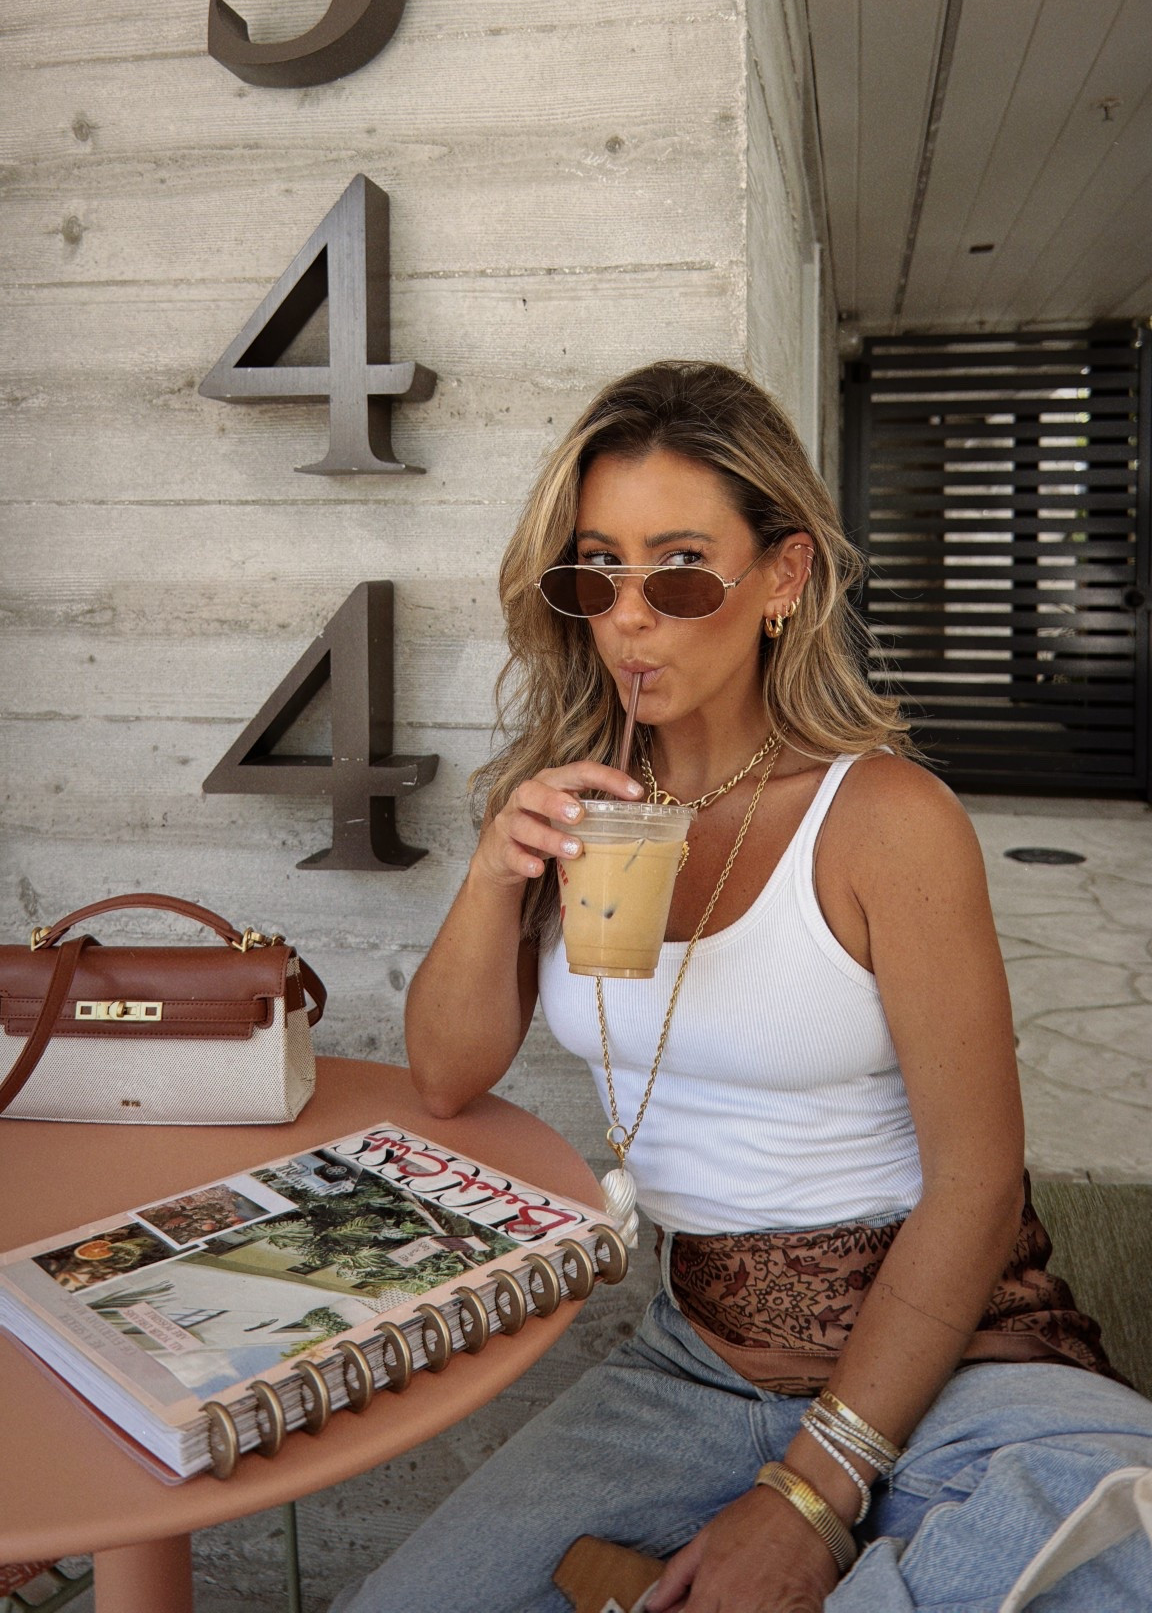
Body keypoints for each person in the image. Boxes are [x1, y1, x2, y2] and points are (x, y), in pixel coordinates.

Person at [331, 361, 1152, 1613]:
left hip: (952, 1355)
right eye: (595, 569)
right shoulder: (584, 808)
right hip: (695, 1355)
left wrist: (818, 1487)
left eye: (676, 569)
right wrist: (499, 864)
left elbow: (980, 1181)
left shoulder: (884, 818)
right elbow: (447, 1073)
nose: (627, 617)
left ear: (783, 576)